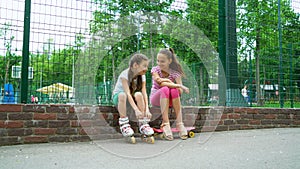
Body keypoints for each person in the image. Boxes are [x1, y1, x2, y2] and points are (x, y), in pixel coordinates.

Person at [150, 48, 190, 140]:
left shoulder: (175, 73)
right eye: (158, 61)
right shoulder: (155, 70)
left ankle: (180, 123)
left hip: (170, 100)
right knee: (165, 89)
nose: (159, 63)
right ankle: (166, 123)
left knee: (174, 90)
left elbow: (180, 91)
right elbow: (159, 81)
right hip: (156, 99)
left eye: (162, 61)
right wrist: (176, 84)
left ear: (169, 61)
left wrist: (177, 87)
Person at [112, 53, 153, 139]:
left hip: (131, 97)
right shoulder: (125, 75)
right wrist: (136, 110)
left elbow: (144, 93)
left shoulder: (142, 76)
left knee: (139, 94)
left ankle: (143, 123)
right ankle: (124, 124)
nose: (146, 69)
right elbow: (127, 93)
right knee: (122, 95)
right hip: (120, 98)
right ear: (135, 65)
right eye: (144, 66)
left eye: (147, 66)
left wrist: (147, 109)